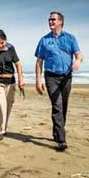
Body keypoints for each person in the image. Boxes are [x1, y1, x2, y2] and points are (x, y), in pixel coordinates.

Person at [35, 11, 83, 152]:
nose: (50, 22)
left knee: (64, 106)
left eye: (53, 20)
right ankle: (62, 140)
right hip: (51, 77)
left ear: (61, 21)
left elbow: (78, 54)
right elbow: (39, 62)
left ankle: (57, 132)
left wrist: (78, 61)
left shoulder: (70, 38)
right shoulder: (44, 40)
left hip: (67, 77)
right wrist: (38, 81)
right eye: (49, 20)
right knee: (57, 106)